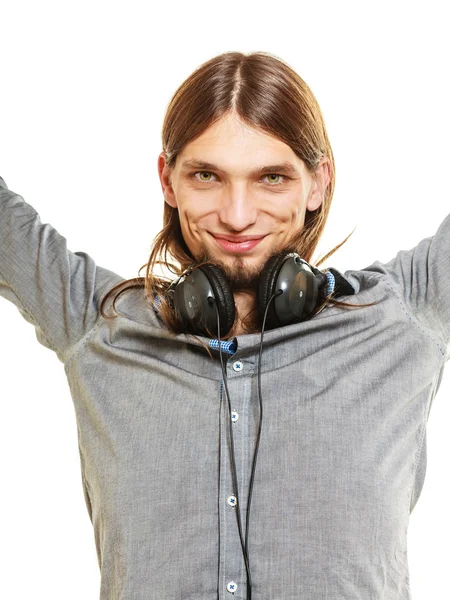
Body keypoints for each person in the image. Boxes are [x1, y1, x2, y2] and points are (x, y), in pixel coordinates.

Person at [0, 50, 449, 600]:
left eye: (272, 177)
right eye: (207, 176)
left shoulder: (404, 312)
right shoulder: (99, 323)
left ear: (317, 183)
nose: (237, 215)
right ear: (168, 180)